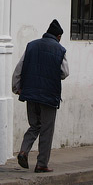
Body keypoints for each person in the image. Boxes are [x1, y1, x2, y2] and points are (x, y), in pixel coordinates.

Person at [12, 19, 69, 173]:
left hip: (30, 94)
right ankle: (41, 163)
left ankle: (24, 151)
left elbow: (19, 68)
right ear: (58, 36)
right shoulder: (59, 49)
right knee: (46, 130)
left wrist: (16, 88)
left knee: (34, 125)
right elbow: (64, 73)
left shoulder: (31, 46)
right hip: (49, 96)